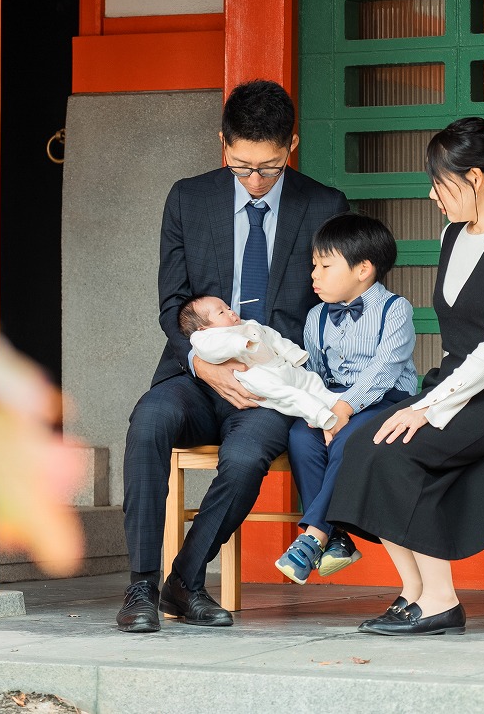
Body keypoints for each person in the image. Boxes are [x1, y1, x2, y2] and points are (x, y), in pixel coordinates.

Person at [116, 79, 348, 633]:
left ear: (292, 145)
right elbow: (173, 304)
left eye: (269, 168)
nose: (256, 182)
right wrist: (204, 365)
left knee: (245, 460)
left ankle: (186, 581)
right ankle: (142, 585)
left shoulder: (325, 205)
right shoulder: (188, 198)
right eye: (242, 166)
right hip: (195, 374)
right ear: (224, 144)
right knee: (149, 419)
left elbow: (331, 307)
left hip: (270, 381)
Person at [327, 117, 484, 636]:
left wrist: (427, 408)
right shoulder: (452, 234)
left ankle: (440, 600)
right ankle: (414, 592)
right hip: (456, 385)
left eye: (440, 183)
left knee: (400, 448)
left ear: (474, 178)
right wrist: (430, 402)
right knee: (362, 442)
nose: (433, 195)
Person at [273, 212, 418, 585]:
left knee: (348, 442)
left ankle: (315, 536)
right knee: (301, 438)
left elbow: (385, 369)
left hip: (386, 400)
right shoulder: (316, 315)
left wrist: (343, 409)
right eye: (314, 266)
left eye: (325, 265)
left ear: (363, 269)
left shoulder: (395, 309)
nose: (314, 275)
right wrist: (320, 408)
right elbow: (315, 373)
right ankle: (336, 538)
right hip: (332, 401)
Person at [179, 294, 342, 431]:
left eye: (228, 307)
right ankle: (319, 414)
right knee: (287, 395)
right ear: (202, 327)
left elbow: (272, 336)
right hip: (255, 375)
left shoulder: (248, 324)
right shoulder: (204, 338)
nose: (230, 312)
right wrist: (241, 344)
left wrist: (291, 353)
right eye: (221, 312)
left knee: (308, 380)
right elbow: (214, 348)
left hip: (278, 364)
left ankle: (333, 400)